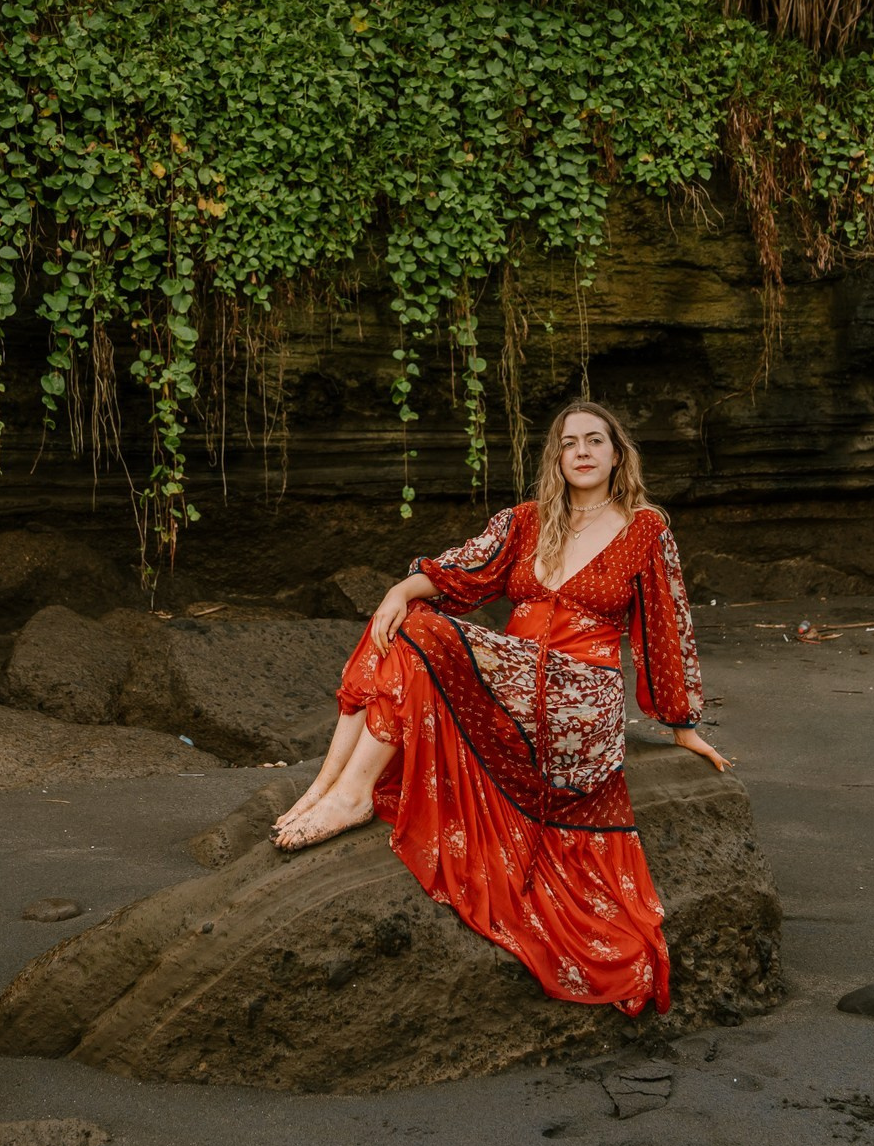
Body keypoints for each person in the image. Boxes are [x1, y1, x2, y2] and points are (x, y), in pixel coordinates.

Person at [271, 400, 730, 1016]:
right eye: (571, 443)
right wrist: (397, 590)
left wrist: (682, 727)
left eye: (597, 441)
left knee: (427, 635)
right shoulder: (525, 521)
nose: (584, 452)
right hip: (515, 678)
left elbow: (665, 626)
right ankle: (328, 787)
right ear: (557, 457)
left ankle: (350, 794)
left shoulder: (645, 527)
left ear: (618, 452)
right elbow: (460, 572)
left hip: (580, 698)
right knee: (410, 620)